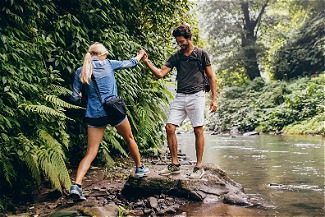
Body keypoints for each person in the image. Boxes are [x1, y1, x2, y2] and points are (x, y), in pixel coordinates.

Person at [69, 42, 149, 201]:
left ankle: (76, 186)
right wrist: (140, 55)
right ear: (102, 54)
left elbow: (75, 97)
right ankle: (139, 168)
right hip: (114, 110)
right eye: (105, 55)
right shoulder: (109, 64)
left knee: (91, 152)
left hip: (94, 114)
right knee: (129, 138)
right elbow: (131, 63)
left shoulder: (81, 70)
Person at [142, 24, 218, 179]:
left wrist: (214, 99)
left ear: (189, 38)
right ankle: (175, 164)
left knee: (198, 130)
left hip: (197, 95)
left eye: (182, 41)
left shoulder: (201, 54)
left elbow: (211, 77)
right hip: (180, 96)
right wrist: (146, 61)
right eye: (178, 41)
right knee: (169, 127)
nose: (180, 44)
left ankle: (198, 166)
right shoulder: (177, 56)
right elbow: (160, 74)